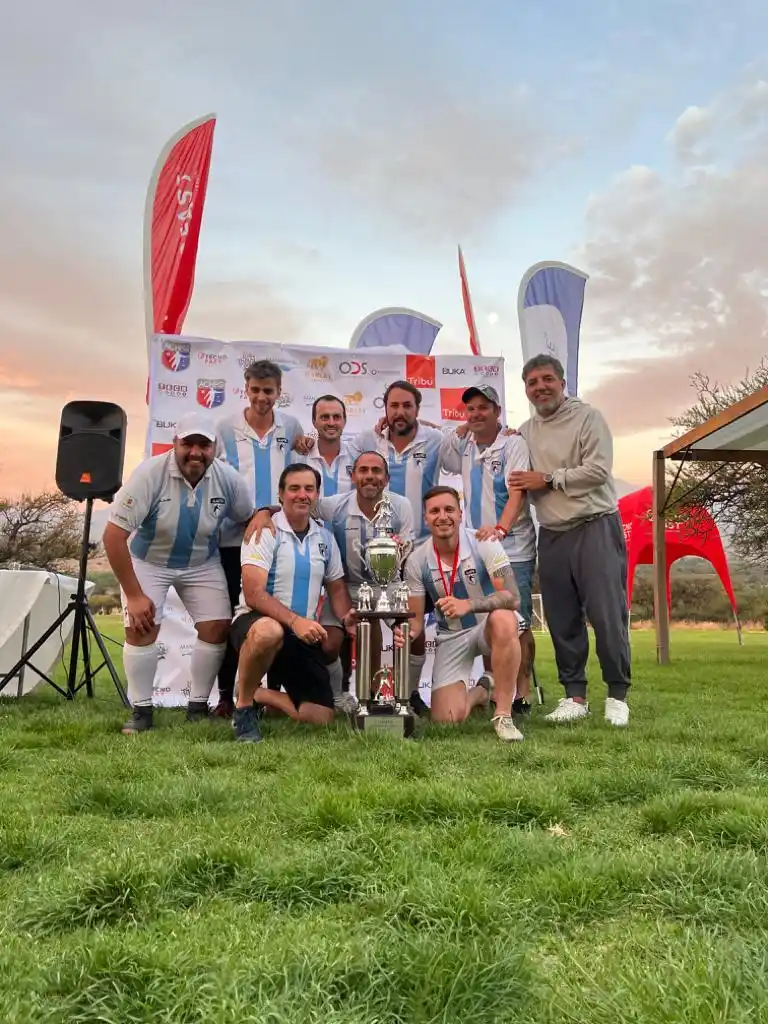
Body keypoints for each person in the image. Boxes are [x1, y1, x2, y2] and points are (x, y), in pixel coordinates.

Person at [102, 412, 256, 735]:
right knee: (141, 626)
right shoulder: (149, 474)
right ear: (175, 444)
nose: (196, 452)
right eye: (188, 444)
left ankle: (198, 706)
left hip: (201, 561)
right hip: (149, 561)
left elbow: (248, 517)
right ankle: (141, 710)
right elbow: (113, 537)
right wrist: (133, 595)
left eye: (204, 445)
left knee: (216, 627)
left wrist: (265, 517)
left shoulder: (228, 479)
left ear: (214, 448)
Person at [507, 354, 631, 727]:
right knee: (562, 620)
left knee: (607, 615)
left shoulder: (588, 417)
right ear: (526, 390)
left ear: (562, 383)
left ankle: (617, 695)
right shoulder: (525, 431)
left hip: (595, 525)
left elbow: (597, 470)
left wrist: (548, 479)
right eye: (532, 382)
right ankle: (574, 695)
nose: (540, 387)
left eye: (547, 379)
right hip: (553, 534)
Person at [246, 450, 415, 713]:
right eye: (363, 470)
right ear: (353, 476)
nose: (370, 476)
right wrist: (263, 512)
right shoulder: (334, 505)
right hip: (347, 584)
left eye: (376, 471)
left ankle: (397, 698)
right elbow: (296, 503)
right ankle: (337, 695)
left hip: (387, 585)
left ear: (387, 477)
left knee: (412, 633)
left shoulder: (401, 506)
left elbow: (405, 554)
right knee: (330, 642)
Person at [230, 464, 356, 743]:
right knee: (269, 631)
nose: (302, 495)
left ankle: (257, 693)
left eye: (309, 489)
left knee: (321, 717)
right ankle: (244, 709)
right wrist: (295, 621)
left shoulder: (325, 538)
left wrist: (348, 617)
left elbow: (335, 587)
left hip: (301, 634)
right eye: (294, 488)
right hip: (257, 622)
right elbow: (253, 594)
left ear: (317, 494)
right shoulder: (264, 530)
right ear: (280, 493)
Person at [213, 359, 309, 718]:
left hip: (278, 539)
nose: (261, 397)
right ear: (246, 389)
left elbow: (299, 473)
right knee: (233, 618)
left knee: (277, 614)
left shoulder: (292, 426)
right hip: (233, 540)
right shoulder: (224, 428)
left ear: (278, 393)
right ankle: (228, 695)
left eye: (268, 391)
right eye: (255, 390)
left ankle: (272, 695)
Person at [348, 379, 454, 695]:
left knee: (411, 625)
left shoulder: (435, 439)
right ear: (385, 408)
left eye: (407, 406)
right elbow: (335, 455)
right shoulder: (367, 440)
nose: (400, 412)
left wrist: (507, 433)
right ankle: (365, 693)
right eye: (394, 405)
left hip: (418, 551)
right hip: (373, 552)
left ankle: (408, 695)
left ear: (417, 410)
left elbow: (465, 444)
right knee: (369, 617)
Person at [395, 486, 525, 741]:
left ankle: (503, 715)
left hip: (487, 624)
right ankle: (483, 690)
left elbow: (513, 597)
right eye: (434, 511)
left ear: (460, 513)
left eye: (449, 509)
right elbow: (417, 620)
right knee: (447, 720)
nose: (442, 516)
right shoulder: (416, 561)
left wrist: (469, 604)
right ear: (426, 518)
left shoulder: (483, 541)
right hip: (452, 636)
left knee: (504, 618)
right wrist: (406, 634)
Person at [441, 382, 537, 714]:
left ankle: (521, 693)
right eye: (471, 408)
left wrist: (501, 528)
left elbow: (517, 493)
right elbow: (436, 440)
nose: (477, 413)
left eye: (485, 407)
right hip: (478, 548)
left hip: (512, 545)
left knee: (517, 621)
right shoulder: (464, 443)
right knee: (487, 617)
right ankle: (495, 686)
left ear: (498, 411)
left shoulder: (513, 443)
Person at [295, 395, 355, 497]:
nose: (331, 423)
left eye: (336, 417)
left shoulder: (356, 458)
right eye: (324, 417)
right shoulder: (298, 458)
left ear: (344, 421)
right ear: (314, 422)